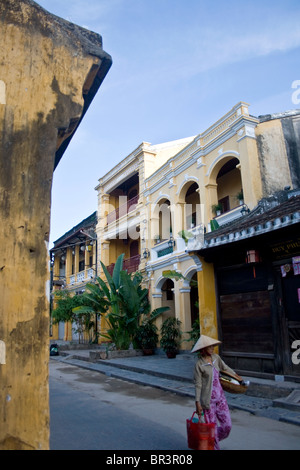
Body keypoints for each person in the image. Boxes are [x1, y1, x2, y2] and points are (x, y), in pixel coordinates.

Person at [192, 334, 242, 450]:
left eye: (213, 346)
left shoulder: (216, 358)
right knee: (212, 429)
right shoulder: (199, 365)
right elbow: (198, 384)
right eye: (210, 347)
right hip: (207, 402)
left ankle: (209, 440)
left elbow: (225, 368)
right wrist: (197, 402)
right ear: (203, 349)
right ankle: (212, 443)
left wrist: (235, 375)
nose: (212, 348)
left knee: (227, 426)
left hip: (221, 399)